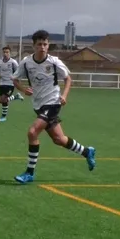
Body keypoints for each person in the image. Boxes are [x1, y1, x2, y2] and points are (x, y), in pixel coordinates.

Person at [11, 29, 96, 184]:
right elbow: (15, 79)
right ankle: (86, 152)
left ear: (48, 45)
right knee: (59, 139)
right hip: (38, 104)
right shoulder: (26, 62)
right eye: (39, 44)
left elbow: (68, 79)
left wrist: (64, 96)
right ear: (34, 46)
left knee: (32, 132)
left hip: (53, 102)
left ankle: (29, 173)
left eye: (45, 44)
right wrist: (23, 90)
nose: (42, 47)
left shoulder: (54, 62)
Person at [0, 46, 23, 121]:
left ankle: (3, 117)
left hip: (10, 84)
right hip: (2, 83)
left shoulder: (13, 62)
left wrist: (16, 81)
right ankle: (16, 97)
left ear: (10, 53)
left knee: (4, 99)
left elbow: (18, 72)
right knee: (0, 100)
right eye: (4, 52)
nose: (5, 53)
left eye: (7, 52)